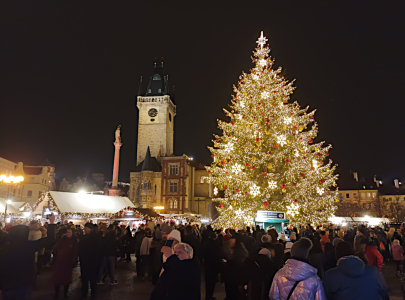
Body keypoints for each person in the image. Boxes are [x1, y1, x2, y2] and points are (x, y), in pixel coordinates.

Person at [0, 214, 56, 300]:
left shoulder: (5, 246)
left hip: (7, 285)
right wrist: (51, 223)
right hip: (23, 284)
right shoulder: (28, 246)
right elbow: (50, 240)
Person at [323, 241, 389, 300]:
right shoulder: (373, 271)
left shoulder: (331, 275)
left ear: (336, 255)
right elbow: (384, 292)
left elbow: (326, 296)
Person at [52, 228, 78, 299]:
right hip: (60, 261)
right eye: (67, 232)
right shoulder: (62, 240)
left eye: (70, 232)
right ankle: (56, 293)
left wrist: (73, 261)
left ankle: (65, 293)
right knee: (58, 278)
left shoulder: (74, 242)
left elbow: (75, 252)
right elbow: (55, 247)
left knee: (66, 279)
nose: (68, 233)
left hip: (67, 262)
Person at [79, 223, 102, 299]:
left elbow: (97, 250)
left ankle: (92, 293)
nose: (84, 229)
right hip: (86, 260)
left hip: (91, 261)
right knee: (85, 278)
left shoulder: (94, 237)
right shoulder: (85, 236)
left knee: (91, 278)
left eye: (85, 227)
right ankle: (85, 293)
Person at [202, 230, 221, 300]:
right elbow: (219, 255)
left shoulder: (206, 243)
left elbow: (203, 253)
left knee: (208, 282)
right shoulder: (216, 244)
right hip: (214, 266)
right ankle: (210, 296)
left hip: (207, 265)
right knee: (212, 283)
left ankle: (208, 296)